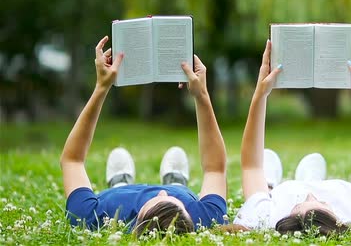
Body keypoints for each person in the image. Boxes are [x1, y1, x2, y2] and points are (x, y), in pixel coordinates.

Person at [61, 36, 227, 235]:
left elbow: (72, 160)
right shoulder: (204, 218)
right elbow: (215, 169)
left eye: (155, 199)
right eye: (173, 201)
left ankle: (120, 182)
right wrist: (202, 96)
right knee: (180, 192)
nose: (161, 192)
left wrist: (101, 87)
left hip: (118, 198)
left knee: (120, 193)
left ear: (137, 220)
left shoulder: (91, 217)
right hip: (180, 196)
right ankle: (176, 181)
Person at [233, 39, 351, 234]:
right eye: (320, 203)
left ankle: (271, 184)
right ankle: (311, 178)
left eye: (299, 205)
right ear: (338, 223)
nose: (310, 195)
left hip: (284, 194)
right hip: (334, 190)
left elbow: (252, 166)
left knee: (265, 173)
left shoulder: (266, 217)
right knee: (314, 172)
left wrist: (260, 94)